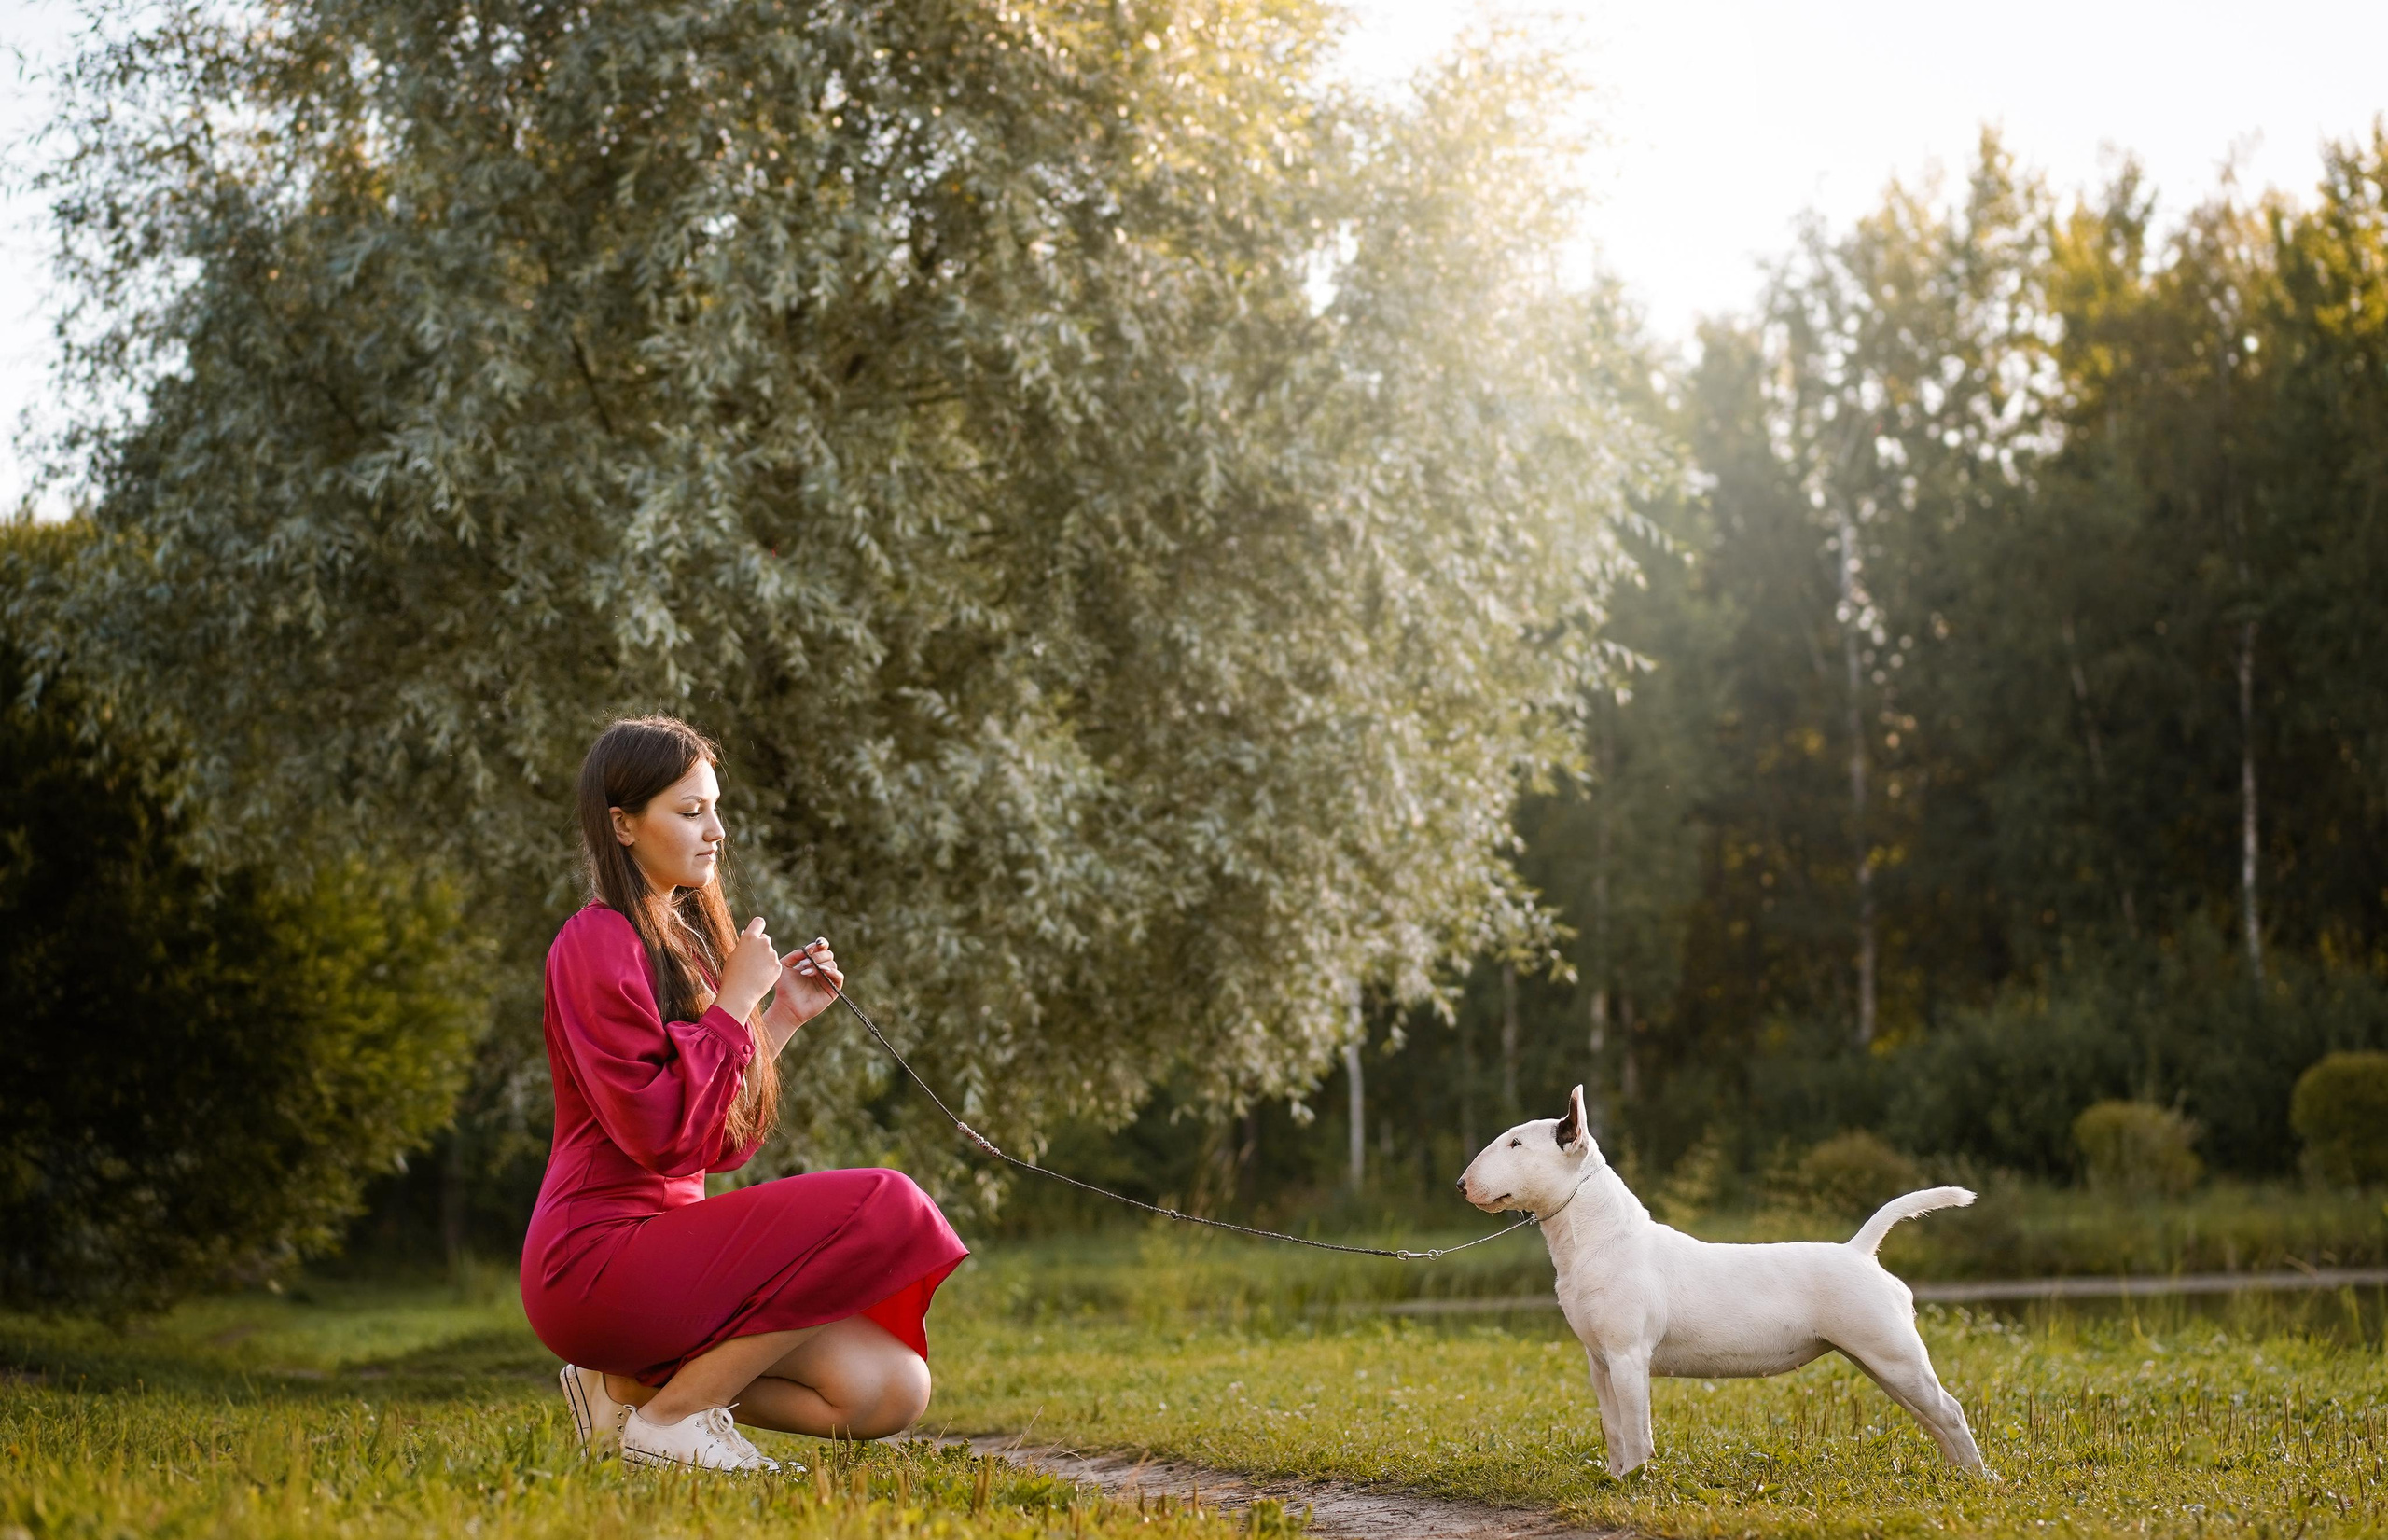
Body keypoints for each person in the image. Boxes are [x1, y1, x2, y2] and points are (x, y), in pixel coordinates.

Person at [521, 715, 968, 1473]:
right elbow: (657, 1133)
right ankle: (670, 1421)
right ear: (622, 825)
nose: (715, 830)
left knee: (891, 1388)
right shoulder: (594, 941)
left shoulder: (681, 946)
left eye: (715, 808)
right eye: (690, 811)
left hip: (668, 1254)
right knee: (885, 1203)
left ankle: (625, 1390)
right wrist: (733, 1006)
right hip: (595, 1259)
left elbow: (715, 1145)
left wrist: (780, 1014)